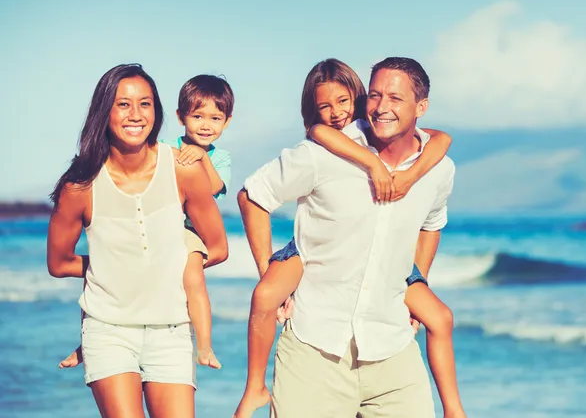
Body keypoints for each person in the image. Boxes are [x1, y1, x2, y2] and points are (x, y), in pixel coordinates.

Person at [237, 57, 458, 418]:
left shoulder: (439, 170)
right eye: (375, 96)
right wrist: (269, 273)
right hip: (314, 349)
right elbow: (253, 195)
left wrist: (415, 281)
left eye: (395, 98)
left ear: (421, 107)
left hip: (393, 352)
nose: (382, 107)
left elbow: (432, 223)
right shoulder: (322, 153)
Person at [47, 64, 228, 418]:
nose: (136, 115)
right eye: (123, 104)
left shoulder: (183, 169)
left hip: (172, 330)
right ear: (105, 111)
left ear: (157, 112)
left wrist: (171, 262)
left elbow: (218, 247)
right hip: (108, 331)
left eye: (145, 104)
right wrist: (113, 266)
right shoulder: (79, 185)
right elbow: (58, 263)